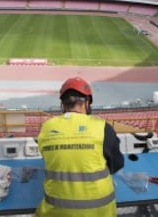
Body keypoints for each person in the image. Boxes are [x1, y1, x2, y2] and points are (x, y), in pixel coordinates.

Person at [35, 77, 124, 217]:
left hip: (56, 212)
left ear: (62, 104)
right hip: (101, 212)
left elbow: (49, 158)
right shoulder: (102, 127)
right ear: (87, 102)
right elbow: (117, 165)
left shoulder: (47, 127)